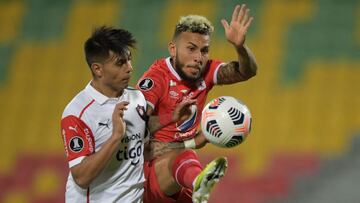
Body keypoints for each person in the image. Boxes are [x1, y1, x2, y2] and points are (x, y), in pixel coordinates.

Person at [137, 4, 258, 203]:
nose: (198, 58)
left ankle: (198, 184)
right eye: (191, 49)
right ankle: (198, 181)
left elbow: (247, 71)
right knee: (183, 155)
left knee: (185, 157)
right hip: (149, 172)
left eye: (204, 51)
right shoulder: (156, 78)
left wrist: (240, 47)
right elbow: (135, 125)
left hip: (180, 174)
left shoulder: (206, 71)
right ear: (173, 49)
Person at [60, 26, 148, 202]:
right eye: (120, 63)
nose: (130, 68)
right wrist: (116, 136)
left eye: (129, 60)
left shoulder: (137, 97)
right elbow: (82, 178)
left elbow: (144, 148)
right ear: (98, 69)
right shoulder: (78, 113)